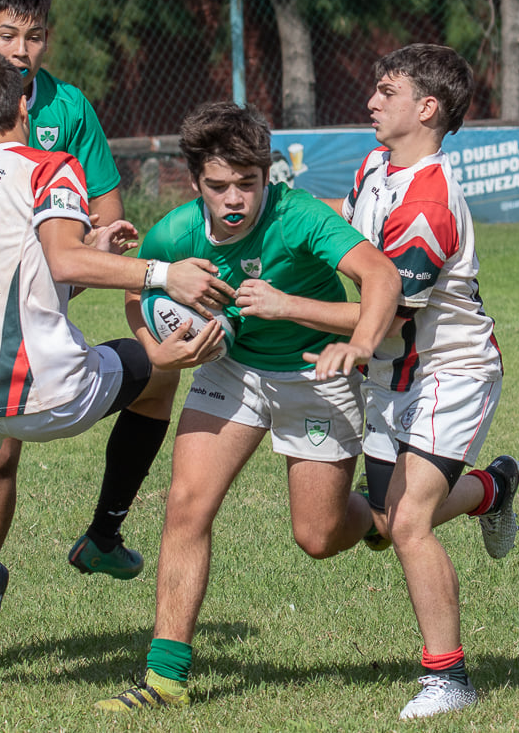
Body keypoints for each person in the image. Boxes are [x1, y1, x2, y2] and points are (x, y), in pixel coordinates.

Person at [0, 48, 232, 706]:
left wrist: (96, 249)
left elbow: (28, 272)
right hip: (52, 392)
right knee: (160, 371)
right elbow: (61, 261)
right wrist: (160, 272)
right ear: (23, 106)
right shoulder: (51, 167)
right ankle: (105, 534)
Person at [94, 101, 402, 713]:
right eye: (218, 186)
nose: (234, 199)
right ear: (195, 183)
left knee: (317, 535)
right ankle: (165, 679)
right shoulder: (176, 233)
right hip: (232, 371)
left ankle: (376, 518)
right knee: (186, 503)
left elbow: (382, 278)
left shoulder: (301, 218)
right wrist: (160, 351)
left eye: (247, 184)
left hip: (316, 373)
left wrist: (324, 326)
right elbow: (137, 287)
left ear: (269, 177)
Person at [246, 44, 519, 719]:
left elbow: (385, 308)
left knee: (408, 525)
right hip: (390, 375)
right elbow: (343, 222)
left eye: (386, 91)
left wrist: (286, 306)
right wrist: (272, 208)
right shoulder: (380, 164)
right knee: (382, 522)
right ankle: (492, 489)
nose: (371, 101)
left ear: (426, 108)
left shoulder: (429, 203)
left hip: (448, 375)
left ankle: (449, 679)